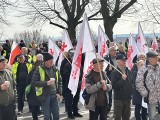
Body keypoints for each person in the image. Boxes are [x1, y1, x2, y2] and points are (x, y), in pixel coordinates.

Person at [32, 52, 62, 120]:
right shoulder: (39, 69)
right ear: (45, 61)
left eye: (52, 60)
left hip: (55, 95)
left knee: (56, 115)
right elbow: (34, 83)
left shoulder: (55, 69)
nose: (52, 61)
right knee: (47, 117)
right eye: (50, 60)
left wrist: (59, 92)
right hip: (45, 96)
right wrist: (46, 83)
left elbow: (60, 81)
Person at [136, 51, 160, 120]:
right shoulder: (143, 69)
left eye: (157, 57)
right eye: (155, 58)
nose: (157, 59)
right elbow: (138, 83)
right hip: (151, 97)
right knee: (152, 116)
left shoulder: (159, 67)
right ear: (149, 59)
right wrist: (145, 93)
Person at [111, 54, 132, 120]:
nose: (124, 61)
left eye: (125, 60)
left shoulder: (128, 71)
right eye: (122, 60)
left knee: (126, 117)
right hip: (119, 100)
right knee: (117, 117)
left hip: (127, 99)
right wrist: (122, 80)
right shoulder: (114, 72)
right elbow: (114, 86)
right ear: (117, 62)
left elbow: (131, 83)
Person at [63, 51, 83, 119]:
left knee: (76, 99)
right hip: (70, 86)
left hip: (78, 85)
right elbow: (65, 75)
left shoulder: (79, 65)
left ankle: (75, 111)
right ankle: (69, 113)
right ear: (71, 58)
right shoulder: (67, 65)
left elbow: (82, 73)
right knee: (70, 100)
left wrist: (80, 80)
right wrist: (73, 75)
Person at [104, 46, 117, 113]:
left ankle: (116, 107)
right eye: (114, 50)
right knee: (109, 94)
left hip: (116, 79)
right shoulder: (106, 58)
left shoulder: (117, 57)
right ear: (110, 51)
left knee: (116, 94)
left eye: (116, 50)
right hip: (109, 78)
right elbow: (102, 68)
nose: (115, 51)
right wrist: (107, 69)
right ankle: (108, 108)